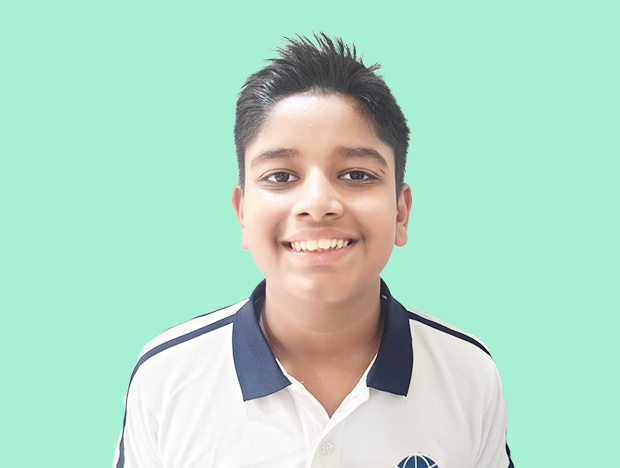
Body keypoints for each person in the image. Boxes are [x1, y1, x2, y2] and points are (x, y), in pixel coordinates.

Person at [114, 33, 514, 468]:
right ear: (243, 212)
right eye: (281, 176)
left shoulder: (467, 374)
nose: (318, 203)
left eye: (357, 174)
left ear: (401, 213)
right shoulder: (167, 378)